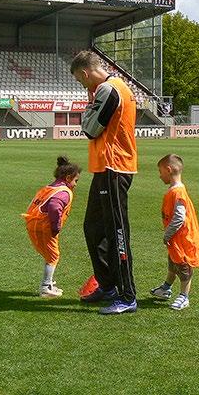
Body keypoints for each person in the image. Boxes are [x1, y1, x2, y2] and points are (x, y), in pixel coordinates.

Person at [70, 50, 138, 315]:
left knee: (117, 232)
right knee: (93, 228)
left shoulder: (108, 90)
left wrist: (88, 107)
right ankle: (108, 285)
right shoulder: (114, 87)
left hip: (114, 167)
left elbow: (89, 129)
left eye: (80, 80)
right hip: (106, 168)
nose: (82, 85)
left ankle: (127, 295)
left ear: (85, 73)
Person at [150, 154, 199, 310]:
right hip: (176, 238)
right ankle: (166, 288)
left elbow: (179, 217)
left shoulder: (178, 193)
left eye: (160, 172)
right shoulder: (174, 191)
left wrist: (167, 233)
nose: (160, 176)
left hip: (182, 237)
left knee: (183, 267)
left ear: (168, 169)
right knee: (173, 262)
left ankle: (184, 296)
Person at [22, 156, 81, 298]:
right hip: (45, 227)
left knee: (49, 255)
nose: (76, 184)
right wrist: (56, 227)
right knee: (53, 256)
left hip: (32, 223)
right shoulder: (63, 192)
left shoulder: (49, 187)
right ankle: (46, 287)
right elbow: (55, 207)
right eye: (75, 180)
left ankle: (49, 283)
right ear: (68, 178)